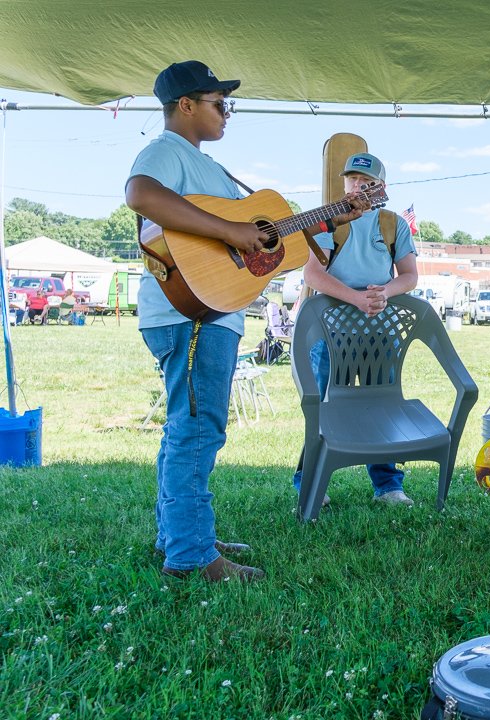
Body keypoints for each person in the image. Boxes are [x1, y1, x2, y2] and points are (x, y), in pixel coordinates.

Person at [126, 61, 366, 582]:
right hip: (191, 312)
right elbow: (141, 196)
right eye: (218, 102)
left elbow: (266, 240)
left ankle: (181, 531)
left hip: (211, 311)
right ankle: (191, 556)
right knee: (197, 431)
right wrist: (231, 232)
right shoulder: (166, 151)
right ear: (185, 105)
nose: (227, 112)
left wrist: (331, 217)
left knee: (185, 430)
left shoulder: (203, 166)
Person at [291, 152, 419, 507]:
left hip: (380, 331)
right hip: (330, 331)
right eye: (352, 180)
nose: (358, 187)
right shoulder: (331, 221)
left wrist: (384, 291)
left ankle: (388, 485)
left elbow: (409, 275)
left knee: (382, 404)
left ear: (382, 187)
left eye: (367, 182)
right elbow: (313, 274)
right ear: (344, 183)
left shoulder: (394, 224)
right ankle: (311, 478)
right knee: (322, 405)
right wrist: (356, 299)